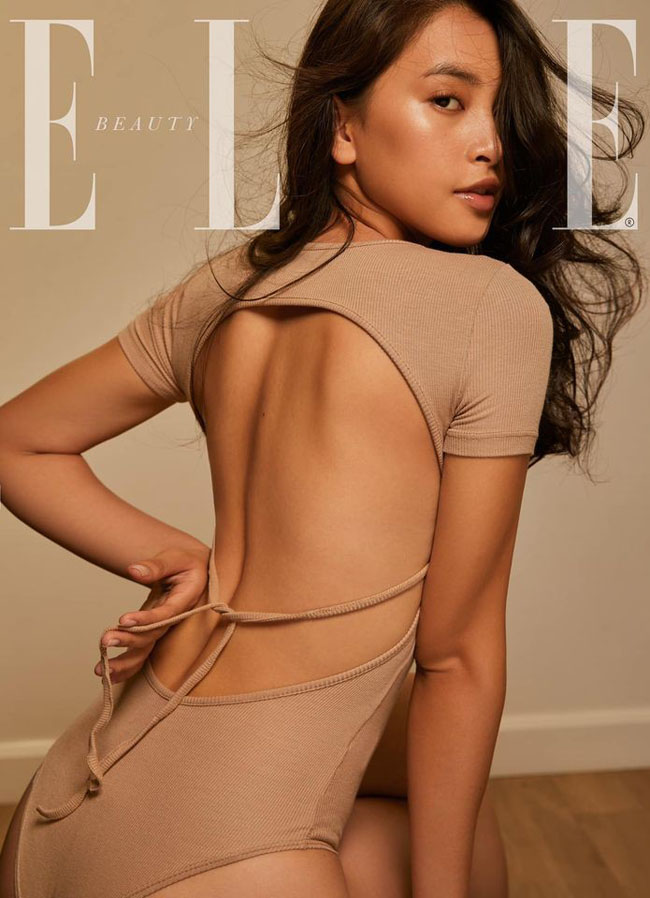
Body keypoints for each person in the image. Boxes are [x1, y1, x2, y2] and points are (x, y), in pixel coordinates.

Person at [0, 1, 644, 897]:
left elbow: (18, 441)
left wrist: (173, 558)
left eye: (503, 111)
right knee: (454, 841)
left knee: (440, 815)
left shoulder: (227, 286)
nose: (493, 143)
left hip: (62, 811)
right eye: (448, 101)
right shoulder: (489, 306)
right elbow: (455, 659)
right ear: (342, 126)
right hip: (236, 858)